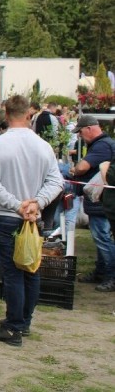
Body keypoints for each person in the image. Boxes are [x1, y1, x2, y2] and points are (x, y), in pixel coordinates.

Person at [0, 95, 63, 346]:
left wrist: (24, 205)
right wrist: (35, 203)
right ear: (29, 114)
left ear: (6, 114)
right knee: (29, 269)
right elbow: (56, 181)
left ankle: (15, 326)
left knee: (15, 272)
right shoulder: (42, 146)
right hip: (28, 216)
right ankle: (22, 321)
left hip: (10, 216)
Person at [69, 114, 115, 292]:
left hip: (101, 200)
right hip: (101, 200)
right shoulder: (104, 144)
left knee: (103, 238)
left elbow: (83, 167)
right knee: (100, 238)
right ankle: (101, 271)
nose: (79, 136)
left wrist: (74, 170)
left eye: (80, 132)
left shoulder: (102, 145)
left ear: (89, 128)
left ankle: (110, 276)